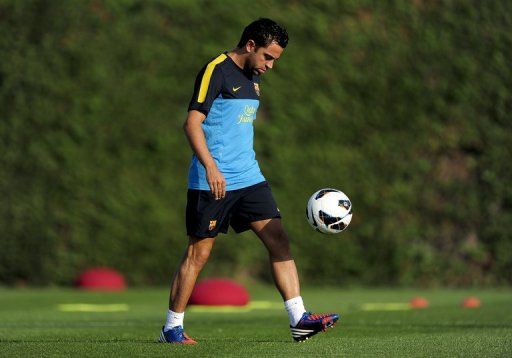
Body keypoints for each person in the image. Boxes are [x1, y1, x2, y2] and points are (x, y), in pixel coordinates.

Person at [159, 18, 339, 344]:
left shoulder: (254, 77)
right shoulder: (215, 69)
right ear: (251, 45)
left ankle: (299, 319)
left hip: (249, 178)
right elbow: (191, 124)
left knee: (278, 240)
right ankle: (172, 328)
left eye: (275, 60)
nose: (270, 65)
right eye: (268, 57)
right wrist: (212, 168)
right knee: (198, 254)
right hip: (212, 181)